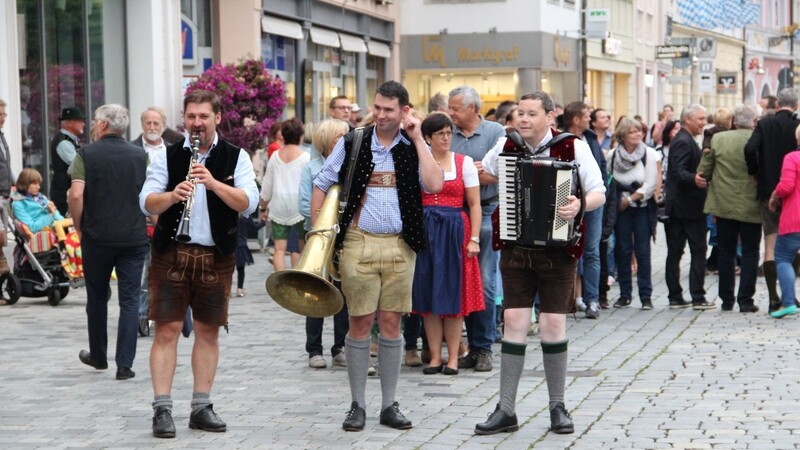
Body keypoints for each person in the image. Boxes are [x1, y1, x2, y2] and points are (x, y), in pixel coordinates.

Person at [311, 80, 443, 432]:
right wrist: (317, 239)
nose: (381, 115)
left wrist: (417, 138)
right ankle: (357, 404)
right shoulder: (353, 140)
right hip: (358, 241)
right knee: (359, 323)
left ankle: (389, 403)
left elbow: (435, 184)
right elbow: (322, 182)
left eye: (389, 109)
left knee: (391, 324)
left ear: (404, 111)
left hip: (401, 243)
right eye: (377, 107)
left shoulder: (414, 144)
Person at [474, 91, 605, 436]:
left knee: (552, 327)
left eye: (531, 113)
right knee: (514, 322)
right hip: (516, 248)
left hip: (558, 252)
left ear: (550, 117)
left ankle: (557, 406)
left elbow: (598, 191)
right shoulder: (506, 145)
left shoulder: (571, 147)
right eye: (520, 113)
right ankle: (506, 409)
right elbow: (481, 171)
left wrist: (579, 205)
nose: (523, 119)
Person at [139, 89, 259, 438]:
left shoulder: (237, 157)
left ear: (217, 118)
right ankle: (162, 408)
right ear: (184, 118)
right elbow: (147, 202)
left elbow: (248, 203)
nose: (197, 123)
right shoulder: (168, 155)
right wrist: (172, 195)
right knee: (166, 330)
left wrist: (214, 183)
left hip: (216, 254)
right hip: (171, 253)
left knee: (208, 331)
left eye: (203, 116)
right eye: (191, 116)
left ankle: (201, 406)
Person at [68, 104, 148, 382]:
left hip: (97, 237)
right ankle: (124, 364)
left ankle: (99, 355)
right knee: (129, 300)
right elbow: (149, 195)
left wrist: (79, 227)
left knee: (98, 297)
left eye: (94, 122)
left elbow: (76, 195)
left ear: (102, 125)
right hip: (134, 237)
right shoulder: (141, 155)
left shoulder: (86, 154)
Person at [412, 113, 483, 376]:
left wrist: (474, 238)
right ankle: (434, 356)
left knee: (453, 295)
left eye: (448, 133)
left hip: (455, 231)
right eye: (440, 133)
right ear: (427, 138)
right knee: (429, 295)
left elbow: (474, 204)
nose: (445, 137)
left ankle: (453, 357)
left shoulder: (462, 163)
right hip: (427, 230)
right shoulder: (420, 162)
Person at [448, 85, 505, 373]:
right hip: (457, 212)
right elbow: (446, 172)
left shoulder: (496, 133)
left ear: (472, 108)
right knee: (464, 281)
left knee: (485, 280)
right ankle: (469, 346)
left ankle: (484, 348)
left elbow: (503, 173)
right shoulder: (449, 133)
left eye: (456, 108)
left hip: (488, 211)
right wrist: (473, 173)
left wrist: (474, 174)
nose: (451, 113)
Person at [697, 103, 761, 313]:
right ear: (754, 121)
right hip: (751, 203)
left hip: (723, 204)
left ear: (734, 120)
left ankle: (726, 299)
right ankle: (745, 300)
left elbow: (704, 170)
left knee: (726, 251)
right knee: (750, 252)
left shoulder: (719, 138)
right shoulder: (757, 139)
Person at [298, 118, 350, 369]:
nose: (345, 140)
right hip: (319, 239)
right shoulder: (310, 168)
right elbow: (303, 205)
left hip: (345, 238)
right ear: (327, 141)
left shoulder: (351, 165)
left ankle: (340, 346)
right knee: (315, 293)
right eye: (340, 136)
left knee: (344, 293)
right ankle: (314, 349)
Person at [745, 87, 800, 312]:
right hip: (795, 194)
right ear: (795, 105)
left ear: (777, 104)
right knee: (795, 248)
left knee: (770, 243)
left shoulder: (765, 124)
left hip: (769, 190)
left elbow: (750, 148)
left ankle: (772, 298)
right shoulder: (797, 126)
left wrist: (755, 172)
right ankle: (790, 296)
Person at [607, 118, 658, 310]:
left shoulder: (649, 154)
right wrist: (617, 201)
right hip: (620, 211)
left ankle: (646, 296)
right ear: (623, 135)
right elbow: (610, 180)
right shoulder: (612, 155)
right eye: (633, 131)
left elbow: (651, 184)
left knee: (643, 252)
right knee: (623, 250)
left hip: (641, 208)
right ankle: (625, 294)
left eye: (640, 131)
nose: (638, 134)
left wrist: (629, 200)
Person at [665, 104, 711, 310]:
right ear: (688, 120)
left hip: (683, 207)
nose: (704, 123)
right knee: (696, 251)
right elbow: (677, 171)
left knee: (677, 252)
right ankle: (696, 296)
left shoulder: (685, 139)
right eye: (700, 119)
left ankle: (677, 295)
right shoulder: (683, 141)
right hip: (688, 207)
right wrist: (695, 178)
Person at [564, 101, 606, 319]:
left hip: (593, 204)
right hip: (568, 203)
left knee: (592, 252)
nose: (590, 119)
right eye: (586, 116)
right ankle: (566, 299)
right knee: (567, 250)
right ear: (575, 120)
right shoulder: (561, 140)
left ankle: (592, 300)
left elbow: (602, 168)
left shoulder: (590, 138)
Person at [132, 107, 169, 338]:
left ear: (163, 124)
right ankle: (141, 315)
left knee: (163, 271)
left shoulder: (174, 151)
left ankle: (167, 314)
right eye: (148, 122)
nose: (152, 127)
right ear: (142, 124)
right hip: (138, 221)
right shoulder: (132, 150)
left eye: (156, 123)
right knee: (141, 272)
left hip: (167, 219)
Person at [260, 118, 309, 272]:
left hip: (278, 204)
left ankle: (280, 285)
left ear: (283, 136)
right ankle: (299, 281)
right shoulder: (306, 157)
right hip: (299, 205)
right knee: (300, 247)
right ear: (300, 135)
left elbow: (267, 185)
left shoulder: (275, 156)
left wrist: (263, 208)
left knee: (279, 249)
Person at [769, 126, 800, 318]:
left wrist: (774, 194)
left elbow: (787, 185)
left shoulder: (792, 158)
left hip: (795, 216)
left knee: (782, 257)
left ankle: (788, 301)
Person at [50, 107, 85, 215]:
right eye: (79, 121)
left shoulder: (69, 140)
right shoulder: (64, 142)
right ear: (69, 123)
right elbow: (78, 165)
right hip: (63, 192)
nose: (83, 123)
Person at [12, 168, 64, 232]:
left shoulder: (38, 197)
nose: (38, 187)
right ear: (24, 184)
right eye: (35, 184)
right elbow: (32, 227)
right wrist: (51, 215)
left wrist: (54, 213)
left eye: (39, 184)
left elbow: (55, 213)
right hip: (43, 234)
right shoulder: (18, 204)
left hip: (56, 227)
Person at [0, 100, 17, 273]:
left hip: (3, 195)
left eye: (4, 114)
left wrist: (18, 184)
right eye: (0, 114)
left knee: (3, 238)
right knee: (1, 236)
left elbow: (6, 165)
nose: (3, 118)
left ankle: (3, 275)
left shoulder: (1, 137)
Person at [234, 212, 265, 297]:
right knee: (241, 269)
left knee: (228, 269)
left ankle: (228, 289)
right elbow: (254, 227)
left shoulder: (228, 213)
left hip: (230, 245)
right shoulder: (245, 214)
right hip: (241, 245)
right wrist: (263, 222)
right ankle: (239, 289)